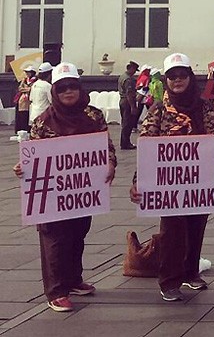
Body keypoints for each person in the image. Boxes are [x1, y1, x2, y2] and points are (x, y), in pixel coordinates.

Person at [14, 62, 117, 312]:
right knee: (53, 238)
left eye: (72, 86)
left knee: (78, 233)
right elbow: (34, 154)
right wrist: (22, 166)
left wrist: (110, 163)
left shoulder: (93, 115)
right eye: (61, 88)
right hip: (52, 192)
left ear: (80, 89)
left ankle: (73, 279)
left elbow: (106, 145)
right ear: (54, 92)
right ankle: (56, 290)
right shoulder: (42, 121)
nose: (68, 92)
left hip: (81, 190)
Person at [129, 53, 214, 302]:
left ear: (190, 78)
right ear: (166, 80)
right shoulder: (159, 109)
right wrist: (138, 180)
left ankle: (190, 272)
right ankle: (169, 280)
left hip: (198, 176)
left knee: (197, 225)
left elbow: (213, 138)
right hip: (168, 180)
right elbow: (147, 143)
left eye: (182, 75)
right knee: (172, 230)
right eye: (172, 76)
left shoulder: (203, 106)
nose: (177, 80)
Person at [118, 61, 139, 149]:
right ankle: (125, 143)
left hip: (122, 100)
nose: (135, 72)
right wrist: (133, 107)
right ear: (131, 68)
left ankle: (125, 142)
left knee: (125, 122)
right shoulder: (128, 79)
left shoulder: (122, 76)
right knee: (128, 123)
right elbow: (129, 94)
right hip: (127, 102)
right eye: (134, 70)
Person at [15, 65, 37, 132]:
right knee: (21, 114)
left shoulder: (35, 80)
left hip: (30, 99)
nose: (27, 73)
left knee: (28, 115)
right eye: (26, 72)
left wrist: (26, 89)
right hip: (23, 99)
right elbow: (20, 88)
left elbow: (32, 89)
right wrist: (27, 89)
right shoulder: (24, 80)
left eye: (28, 72)